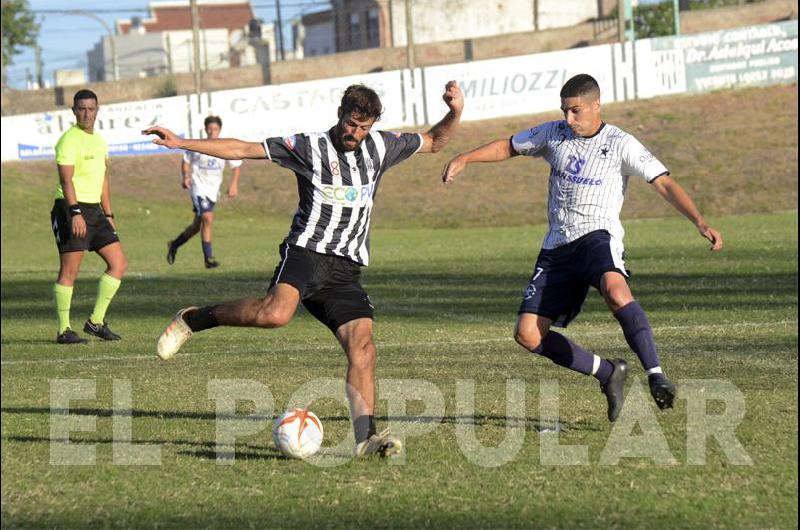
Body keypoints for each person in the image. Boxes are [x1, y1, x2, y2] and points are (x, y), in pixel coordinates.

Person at [144, 81, 464, 456]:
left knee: (363, 348)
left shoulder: (382, 146)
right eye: (351, 124)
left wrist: (455, 112)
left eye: (364, 128)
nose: (355, 134)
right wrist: (182, 142)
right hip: (305, 254)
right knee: (275, 315)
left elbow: (434, 141)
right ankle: (195, 319)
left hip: (345, 269)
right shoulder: (308, 146)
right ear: (340, 114)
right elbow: (244, 149)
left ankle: (366, 439)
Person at [442, 74, 722, 422]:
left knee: (616, 292)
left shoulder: (621, 143)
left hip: (596, 238)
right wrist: (465, 158)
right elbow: (509, 146)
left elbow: (663, 183)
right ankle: (607, 373)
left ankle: (656, 375)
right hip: (557, 246)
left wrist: (699, 221)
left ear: (595, 106)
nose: (569, 119)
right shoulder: (553, 133)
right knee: (527, 335)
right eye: (564, 111)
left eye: (575, 111)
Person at [51, 89, 128, 344]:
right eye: (81, 109)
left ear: (97, 110)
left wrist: (109, 213)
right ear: (74, 111)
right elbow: (66, 179)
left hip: (95, 211)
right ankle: (64, 330)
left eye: (91, 109)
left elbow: (104, 180)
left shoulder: (100, 141)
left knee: (118, 264)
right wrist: (74, 213)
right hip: (70, 208)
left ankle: (95, 322)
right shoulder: (68, 140)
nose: (86, 113)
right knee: (69, 272)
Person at [166, 115, 242, 269]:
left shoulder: (224, 146)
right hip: (198, 187)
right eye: (210, 128)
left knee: (197, 225)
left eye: (215, 129)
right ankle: (208, 258)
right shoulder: (198, 145)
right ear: (205, 129)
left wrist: (233, 185)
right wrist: (186, 177)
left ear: (219, 130)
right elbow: (186, 161)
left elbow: (236, 165)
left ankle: (174, 244)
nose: (212, 131)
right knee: (207, 217)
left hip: (213, 190)